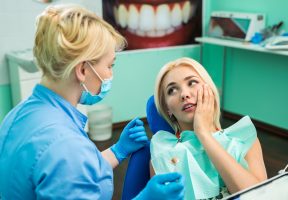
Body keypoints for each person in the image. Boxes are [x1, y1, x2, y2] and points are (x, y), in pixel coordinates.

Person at [0, 4, 184, 200]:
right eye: (109, 65)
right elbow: (69, 163)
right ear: (82, 70)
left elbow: (72, 174)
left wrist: (118, 150)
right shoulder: (65, 146)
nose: (110, 74)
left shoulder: (18, 115)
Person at [150, 57, 267, 199]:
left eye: (192, 82)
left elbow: (259, 196)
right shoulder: (163, 154)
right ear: (167, 109)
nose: (184, 94)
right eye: (172, 90)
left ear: (210, 90)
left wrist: (203, 134)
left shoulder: (244, 140)